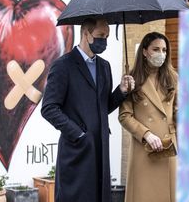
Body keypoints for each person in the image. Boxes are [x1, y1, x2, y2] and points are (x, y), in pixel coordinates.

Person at [41, 18, 135, 202]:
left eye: (107, 36)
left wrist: (121, 91)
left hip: (101, 148)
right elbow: (49, 108)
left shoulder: (104, 66)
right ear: (85, 33)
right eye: (100, 36)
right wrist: (78, 133)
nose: (104, 41)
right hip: (76, 151)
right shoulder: (63, 66)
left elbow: (103, 106)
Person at [118, 32, 178, 202]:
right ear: (144, 51)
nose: (161, 54)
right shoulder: (132, 79)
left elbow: (177, 110)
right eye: (156, 49)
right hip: (144, 149)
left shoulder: (173, 78)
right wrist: (146, 134)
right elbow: (124, 116)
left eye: (164, 50)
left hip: (168, 148)